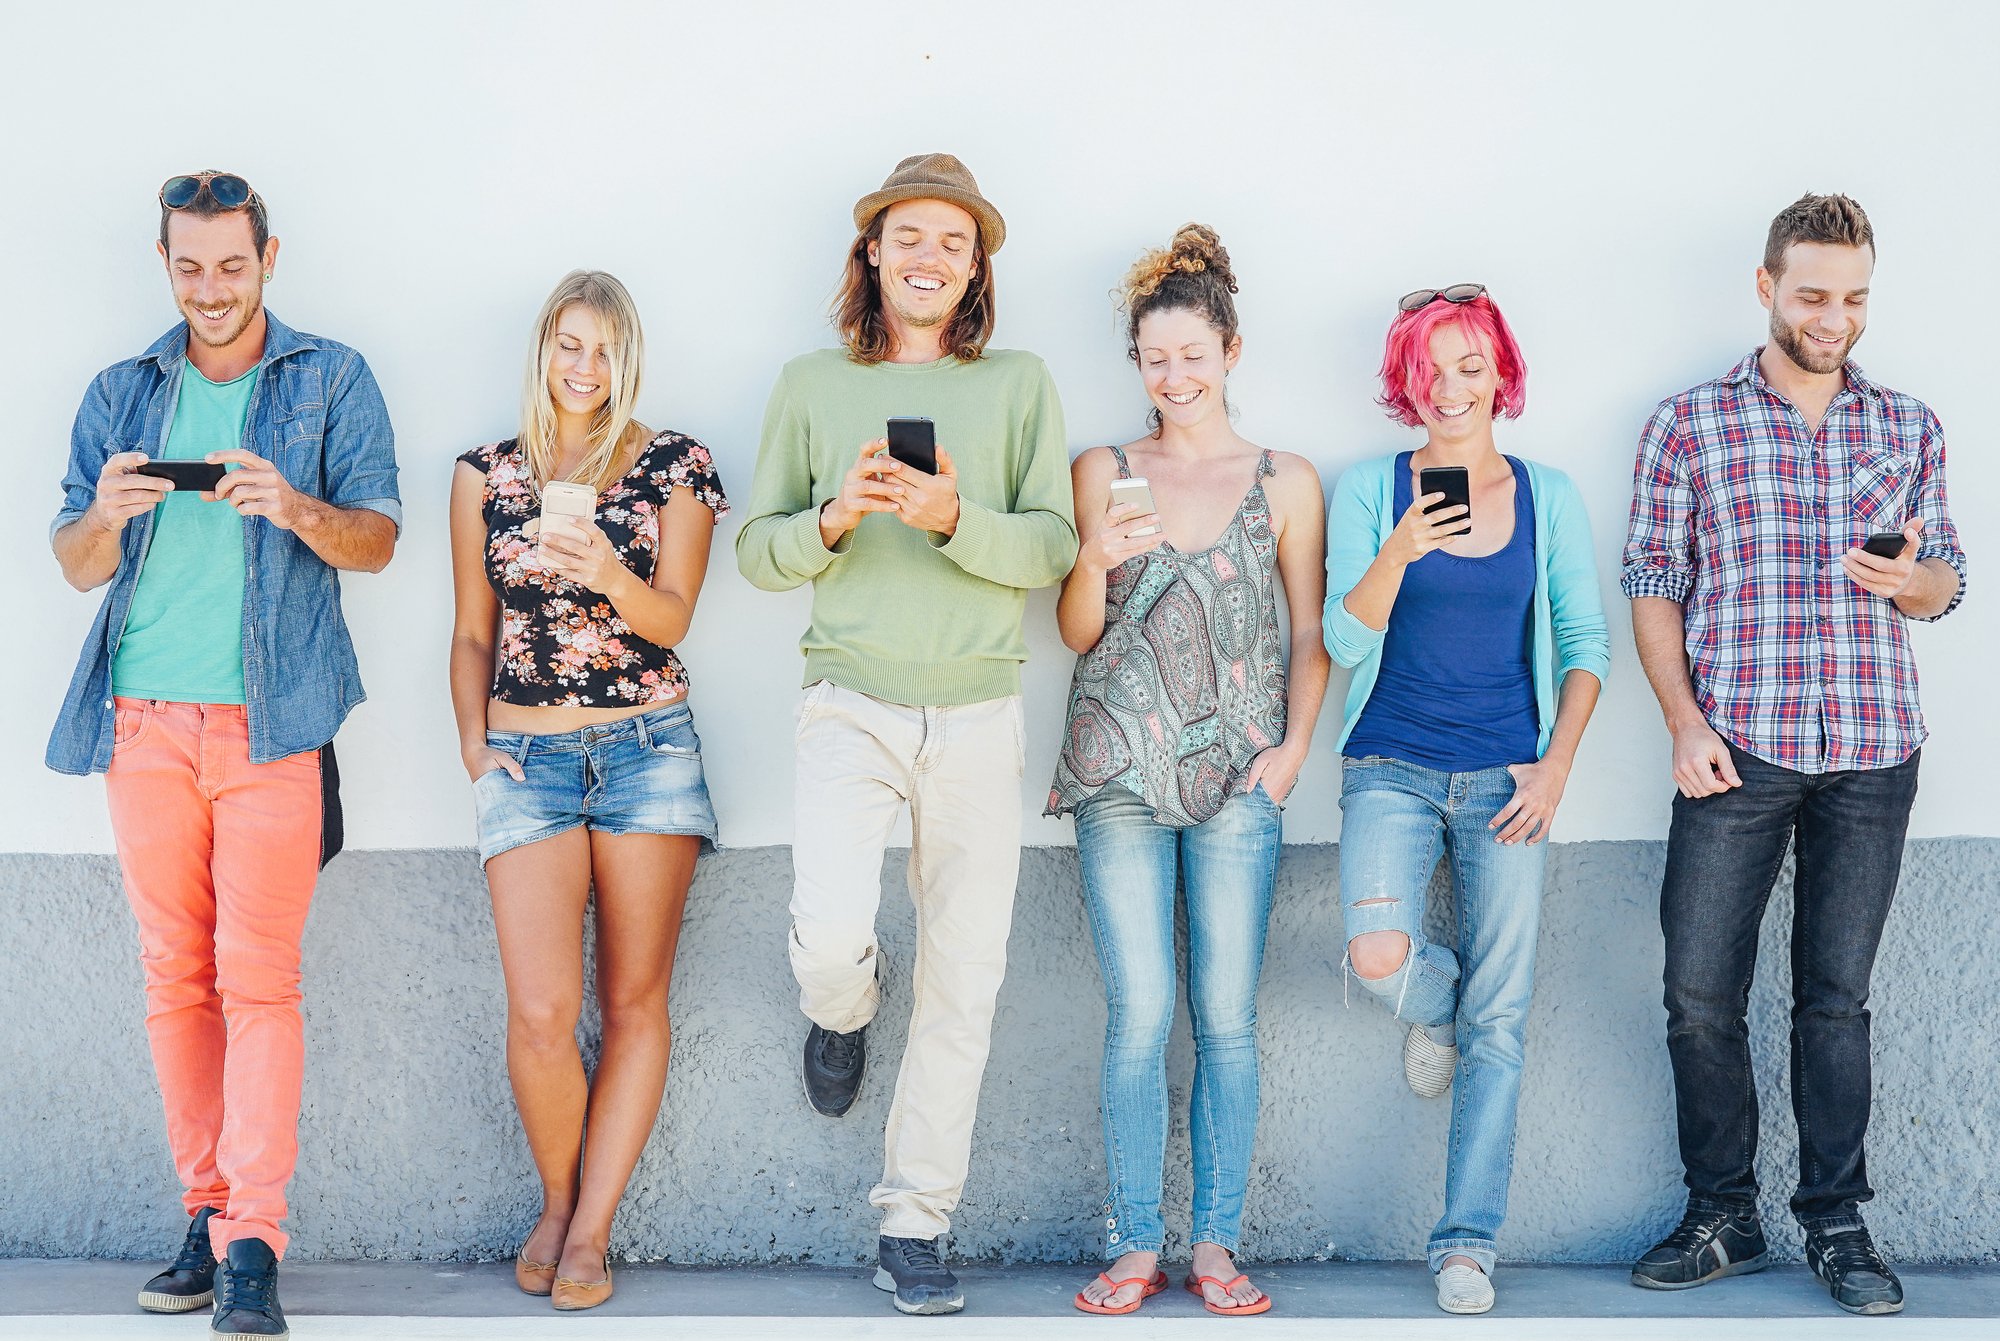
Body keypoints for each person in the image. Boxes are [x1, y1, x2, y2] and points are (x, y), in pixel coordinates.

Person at [48, 172, 401, 1338]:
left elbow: (380, 539)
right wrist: (106, 514)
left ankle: (253, 1238)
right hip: (141, 722)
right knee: (174, 983)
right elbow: (75, 563)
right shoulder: (120, 391)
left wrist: (293, 507)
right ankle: (203, 1215)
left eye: (232, 265)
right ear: (164, 260)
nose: (211, 288)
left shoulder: (330, 377)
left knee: (262, 984)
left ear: (269, 258)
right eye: (190, 265)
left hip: (270, 724)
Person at [734, 152, 1077, 1315]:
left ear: (974, 265)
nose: (929, 257)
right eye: (909, 237)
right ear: (871, 252)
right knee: (831, 939)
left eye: (952, 242)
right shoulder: (810, 382)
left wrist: (949, 519)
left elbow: (1051, 549)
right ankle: (840, 1013)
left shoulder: (1020, 382)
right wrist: (832, 518)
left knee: (964, 981)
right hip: (849, 703)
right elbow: (756, 551)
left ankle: (914, 1222)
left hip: (979, 710)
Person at [1623, 194, 1966, 1317]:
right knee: (1695, 993)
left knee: (1834, 1001)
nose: (1833, 316)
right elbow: (1653, 585)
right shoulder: (1688, 424)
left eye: (1852, 296)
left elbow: (1944, 584)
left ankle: (1835, 1223)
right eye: (1811, 293)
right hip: (1734, 748)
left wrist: (1909, 582)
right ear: (1764, 287)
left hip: (1872, 750)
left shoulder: (1907, 426)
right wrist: (1680, 721)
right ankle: (1721, 1214)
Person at [1050, 225, 1329, 1318]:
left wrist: (1291, 751)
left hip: (1236, 781)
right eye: (1154, 360)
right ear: (1136, 364)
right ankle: (1130, 1244)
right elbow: (1078, 632)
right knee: (1138, 1012)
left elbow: (1309, 631)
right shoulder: (1102, 471)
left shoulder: (1285, 480)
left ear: (1230, 350)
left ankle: (1212, 1245)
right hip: (1115, 772)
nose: (1174, 377)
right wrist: (1092, 560)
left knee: (1224, 1018)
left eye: (1192, 355)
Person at [1322, 285, 1607, 1315]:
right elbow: (1341, 641)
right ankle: (1434, 1007)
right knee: (1375, 954)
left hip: (1506, 780)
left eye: (1469, 367)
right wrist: (1399, 547)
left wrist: (1556, 766)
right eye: (1429, 369)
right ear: (1405, 380)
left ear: (1500, 375)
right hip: (1387, 767)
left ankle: (1464, 1245)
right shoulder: (1366, 489)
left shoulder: (1549, 495)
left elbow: (1584, 645)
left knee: (1503, 1020)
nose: (1449, 388)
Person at [448, 270, 727, 1312]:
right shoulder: (483, 473)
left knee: (631, 1001)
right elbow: (472, 631)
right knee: (540, 1010)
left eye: (605, 348)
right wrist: (474, 747)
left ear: (630, 357)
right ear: (543, 348)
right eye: (569, 344)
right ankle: (559, 1201)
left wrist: (607, 568)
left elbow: (671, 619)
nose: (585, 367)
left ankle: (589, 1231)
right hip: (527, 759)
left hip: (648, 750)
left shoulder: (674, 465)